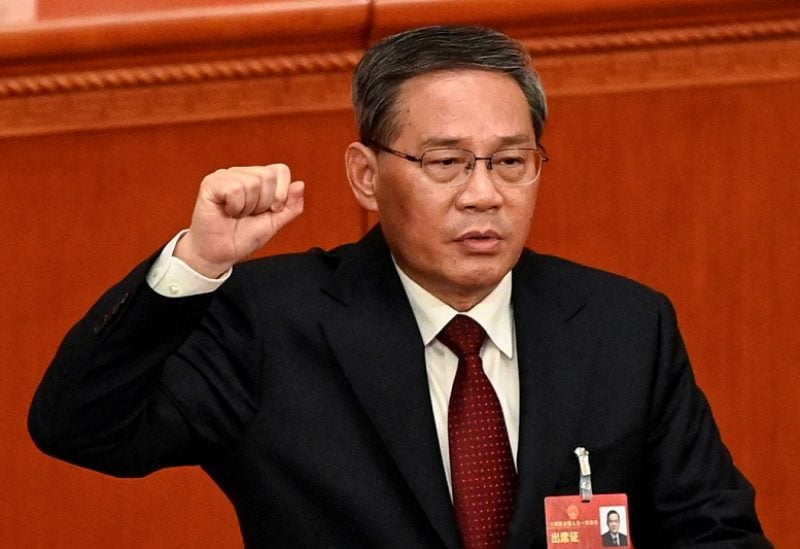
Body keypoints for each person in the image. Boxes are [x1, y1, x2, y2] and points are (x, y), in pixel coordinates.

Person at [29, 25, 771, 548]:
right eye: (446, 163)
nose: (484, 194)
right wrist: (194, 263)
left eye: (511, 162)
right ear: (366, 174)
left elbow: (715, 528)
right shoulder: (270, 322)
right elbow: (81, 425)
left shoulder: (623, 325)